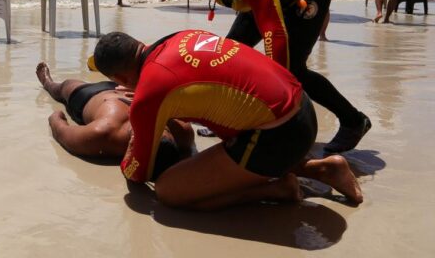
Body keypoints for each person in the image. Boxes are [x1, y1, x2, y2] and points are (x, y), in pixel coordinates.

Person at [151, 0, 370, 154]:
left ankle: (354, 121)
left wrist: (277, 95)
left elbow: (274, 33)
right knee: (228, 58)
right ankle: (229, 118)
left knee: (291, 69)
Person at [90, 30, 363, 211]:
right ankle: (321, 169)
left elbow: (137, 171)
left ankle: (278, 189)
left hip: (278, 135)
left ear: (121, 80)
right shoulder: (179, 37)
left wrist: (136, 134)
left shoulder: (150, 94)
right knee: (236, 125)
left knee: (169, 191)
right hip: (301, 105)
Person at [37, 62, 194, 179]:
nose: (155, 125)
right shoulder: (182, 132)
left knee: (63, 88)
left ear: (134, 147)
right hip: (129, 88)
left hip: (90, 96)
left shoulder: (103, 134)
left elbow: (60, 129)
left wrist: (56, 116)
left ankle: (47, 82)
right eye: (162, 128)